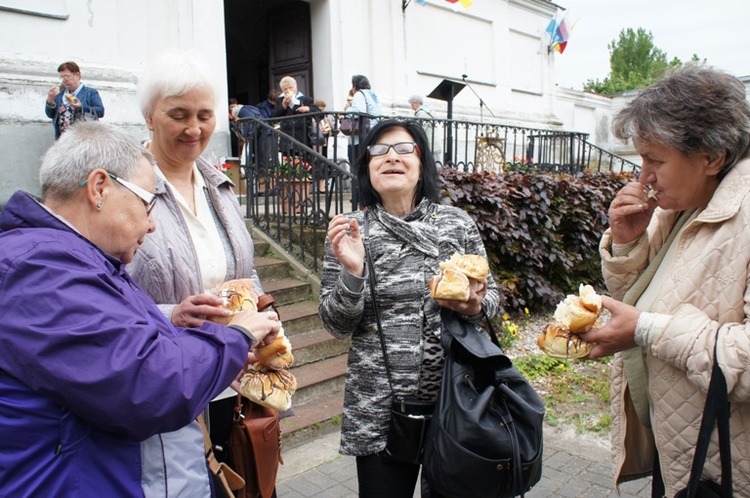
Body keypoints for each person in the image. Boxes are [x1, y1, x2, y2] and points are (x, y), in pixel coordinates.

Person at [0, 121, 280, 496]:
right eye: (148, 204)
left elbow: (109, 348)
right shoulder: (40, 270)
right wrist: (236, 336)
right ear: (99, 188)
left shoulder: (79, 260)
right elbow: (148, 386)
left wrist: (171, 322)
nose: (151, 225)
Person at [585, 65, 750, 496]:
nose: (643, 177)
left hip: (725, 468)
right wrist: (627, 244)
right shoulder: (682, 205)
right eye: (641, 159)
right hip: (679, 447)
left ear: (712, 157)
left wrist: (645, 329)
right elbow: (642, 298)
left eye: (655, 160)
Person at [318, 119, 499, 497]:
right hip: (379, 408)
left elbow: (492, 303)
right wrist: (353, 273)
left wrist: (472, 305)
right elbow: (336, 324)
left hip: (457, 402)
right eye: (379, 151)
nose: (391, 158)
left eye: (403, 149)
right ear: (367, 167)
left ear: (421, 164)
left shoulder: (457, 224)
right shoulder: (349, 230)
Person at [128, 49, 273, 496]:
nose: (195, 129)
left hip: (232, 381)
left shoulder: (219, 184)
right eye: (179, 115)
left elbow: (242, 272)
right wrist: (171, 312)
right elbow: (102, 290)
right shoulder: (126, 188)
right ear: (149, 116)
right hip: (169, 386)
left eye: (205, 115)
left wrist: (264, 314)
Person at [44, 61, 105, 139]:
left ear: (77, 75)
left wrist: (81, 106)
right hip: (62, 140)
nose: (64, 80)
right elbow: (50, 115)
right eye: (62, 77)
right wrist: (50, 101)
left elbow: (100, 112)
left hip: (85, 140)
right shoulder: (60, 95)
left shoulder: (90, 93)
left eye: (67, 76)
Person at [271, 75, 319, 149]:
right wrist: (283, 106)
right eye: (285, 89)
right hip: (286, 137)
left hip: (302, 136)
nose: (288, 91)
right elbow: (273, 117)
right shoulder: (280, 101)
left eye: (290, 88)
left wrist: (308, 108)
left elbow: (319, 113)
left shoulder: (305, 99)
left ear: (296, 87)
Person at [344, 74, 381, 165]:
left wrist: (347, 109)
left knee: (357, 164)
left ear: (354, 86)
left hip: (360, 137)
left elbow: (359, 112)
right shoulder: (373, 96)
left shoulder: (359, 94)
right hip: (373, 133)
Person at [408, 94, 442, 162]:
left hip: (429, 144)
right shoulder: (428, 111)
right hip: (434, 144)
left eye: (412, 104)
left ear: (417, 103)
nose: (412, 108)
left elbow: (420, 130)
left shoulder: (421, 113)